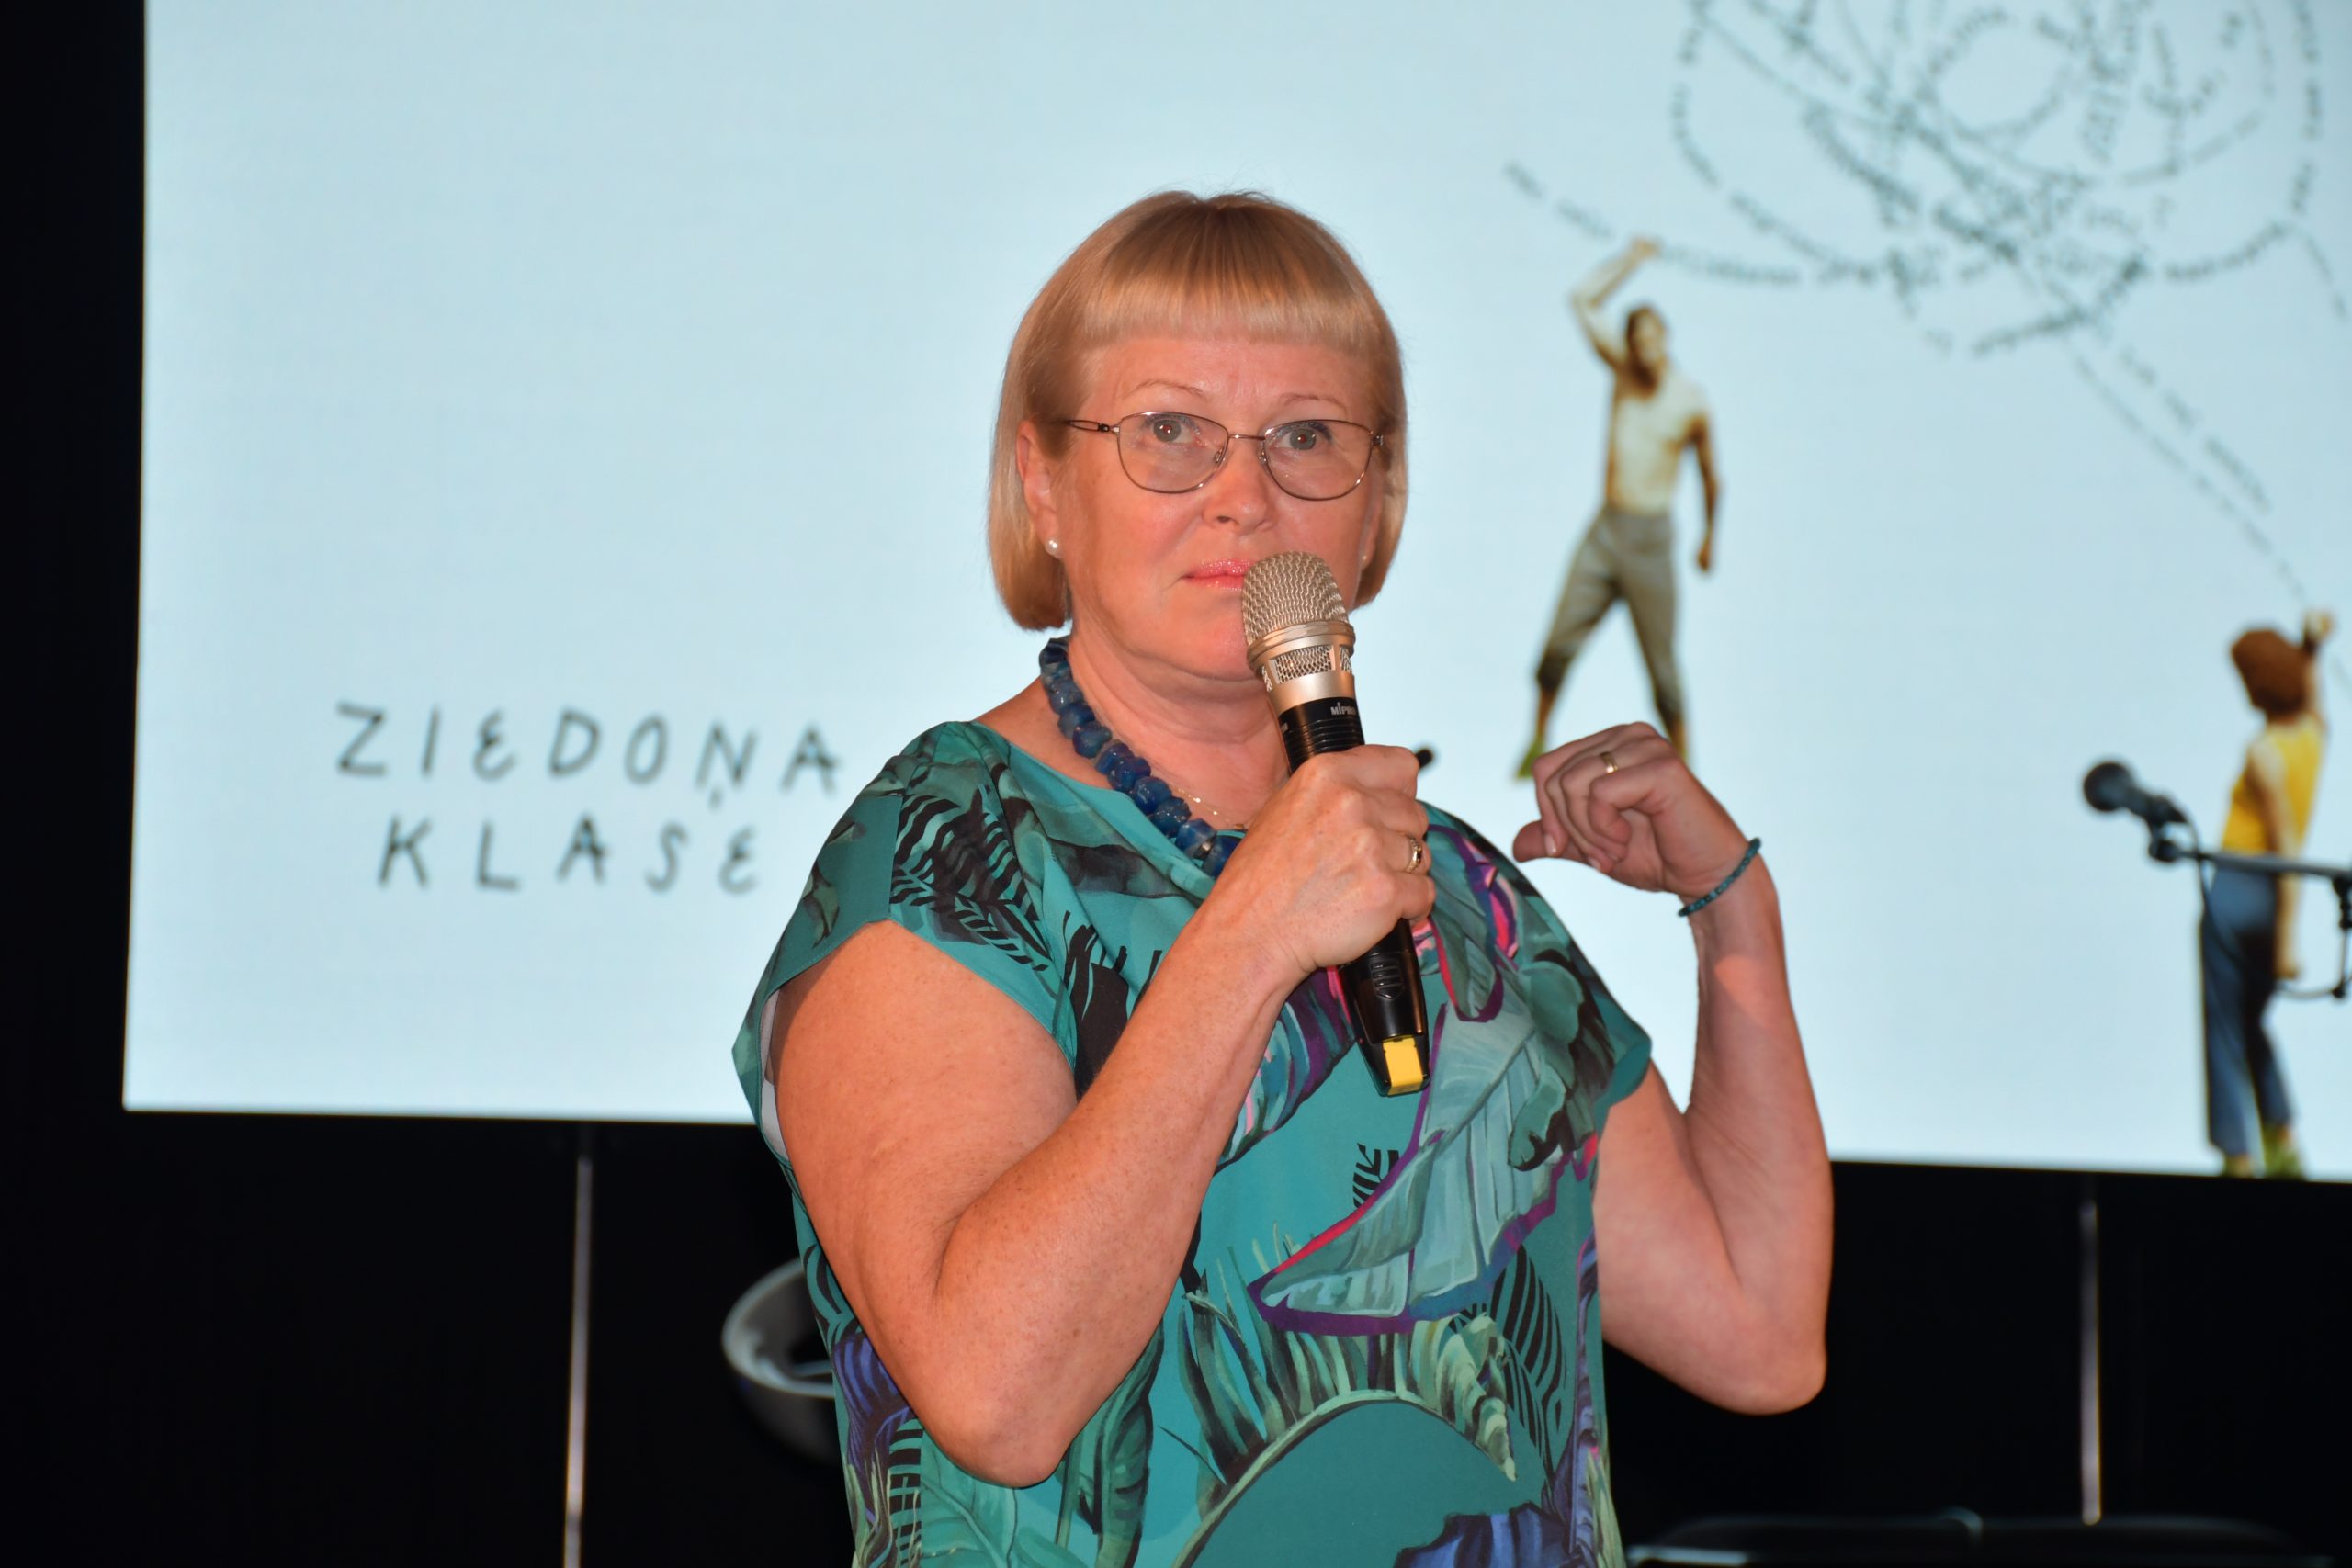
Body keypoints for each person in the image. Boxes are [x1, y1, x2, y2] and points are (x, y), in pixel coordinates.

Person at [731, 192, 1829, 1566]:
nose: (1243, 495)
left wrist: (1733, 915)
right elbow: (998, 1398)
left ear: (1378, 505)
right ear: (1043, 483)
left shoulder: (1452, 890)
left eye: (1306, 437)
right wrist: (1255, 927)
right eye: (1168, 431)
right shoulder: (947, 849)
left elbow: (1759, 1333)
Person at [1522, 236, 1721, 776]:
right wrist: (1632, 260)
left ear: (1666, 339)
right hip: (1606, 531)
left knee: (1664, 671)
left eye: (1655, 338)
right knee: (1557, 645)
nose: (1648, 349)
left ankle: (1688, 769)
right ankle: (1537, 737)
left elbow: (1710, 475)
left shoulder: (1689, 401)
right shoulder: (1624, 372)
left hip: (1651, 541)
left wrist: (1709, 537)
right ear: (1631, 346)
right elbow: (1583, 300)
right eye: (1639, 341)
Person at [2204, 608, 2333, 1179]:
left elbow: (2286, 850)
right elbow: (2315, 700)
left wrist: (2288, 938)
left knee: (2225, 1025)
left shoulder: (2265, 752)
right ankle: (2281, 1138)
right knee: (2252, 1023)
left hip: (2243, 888)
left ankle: (2237, 1154)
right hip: (2269, 895)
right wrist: (2312, 648)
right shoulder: (2312, 737)